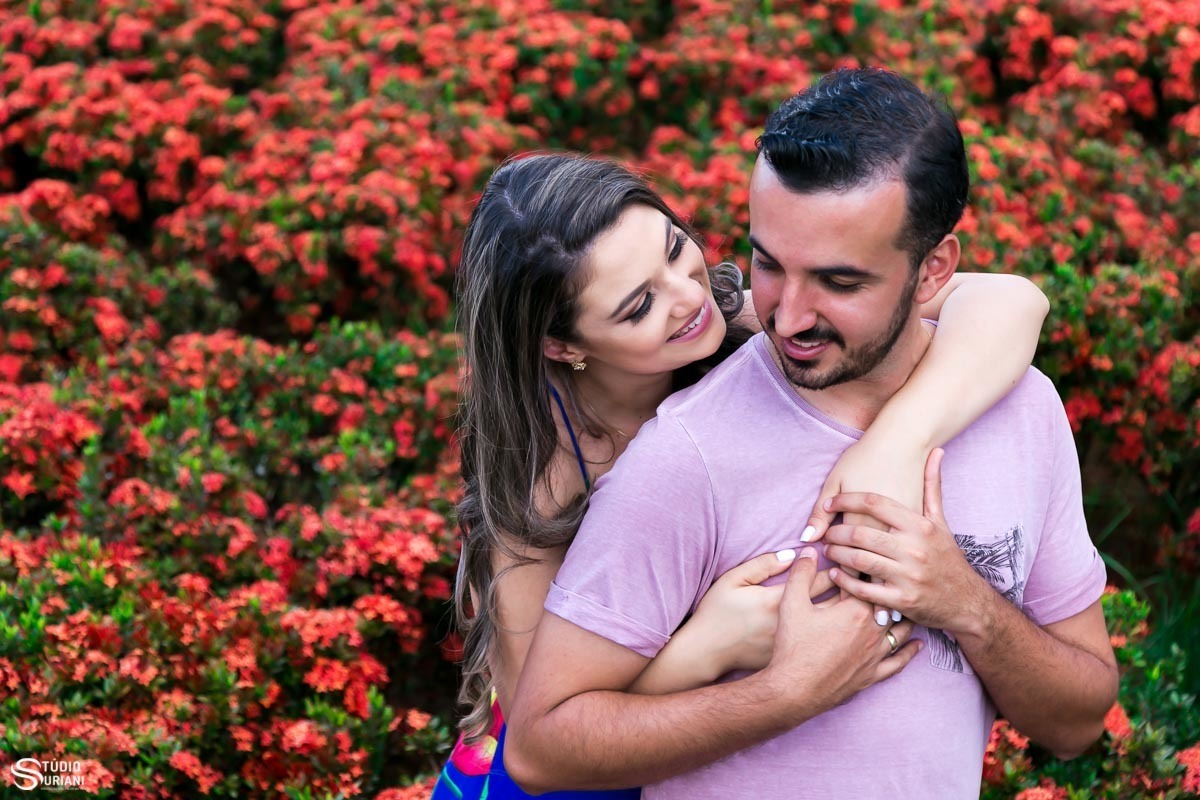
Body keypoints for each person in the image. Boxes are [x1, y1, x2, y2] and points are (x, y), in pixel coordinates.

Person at [503, 69, 1118, 800]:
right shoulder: (662, 459)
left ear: (934, 271)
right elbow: (539, 748)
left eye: (839, 281)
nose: (787, 316)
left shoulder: (1020, 406)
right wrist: (783, 689)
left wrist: (965, 601)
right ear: (564, 344)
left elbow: (1079, 722)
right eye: (767, 262)